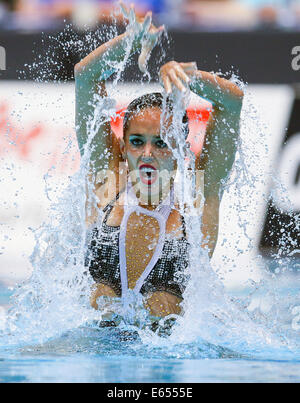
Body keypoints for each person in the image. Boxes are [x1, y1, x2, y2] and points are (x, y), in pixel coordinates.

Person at [74, 2, 244, 327]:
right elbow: (85, 77)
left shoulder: (198, 199)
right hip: (95, 358)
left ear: (180, 148)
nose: (148, 153)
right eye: (137, 142)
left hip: (168, 362)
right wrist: (127, 44)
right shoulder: (106, 182)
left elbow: (232, 100)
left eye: (162, 143)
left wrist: (187, 76)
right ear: (123, 148)